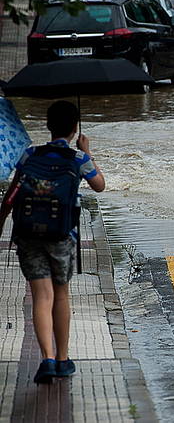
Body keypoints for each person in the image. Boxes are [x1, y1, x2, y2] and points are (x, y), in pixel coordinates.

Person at [0, 100, 105, 384]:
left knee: (40, 295)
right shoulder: (78, 159)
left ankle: (46, 358)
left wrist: (0, 225)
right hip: (61, 235)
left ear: (47, 126)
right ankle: (62, 358)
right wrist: (87, 151)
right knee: (60, 295)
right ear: (74, 128)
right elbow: (99, 185)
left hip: (28, 234)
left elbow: (11, 195)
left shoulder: (30, 154)